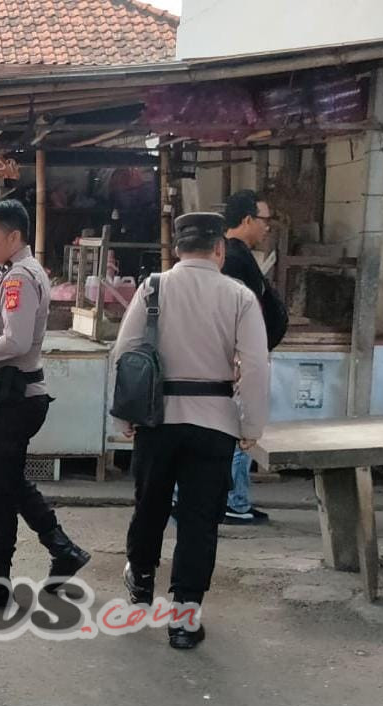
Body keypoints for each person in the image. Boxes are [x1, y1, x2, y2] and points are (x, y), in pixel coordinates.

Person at [111, 212, 269, 650]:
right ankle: (183, 619)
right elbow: (255, 366)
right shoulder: (238, 296)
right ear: (219, 248)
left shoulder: (153, 288)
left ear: (177, 248)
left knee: (150, 505)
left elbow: (124, 351)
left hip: (157, 420)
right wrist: (251, 425)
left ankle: (141, 580)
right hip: (214, 424)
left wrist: (123, 415)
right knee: (199, 520)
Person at [0, 199, 91, 609]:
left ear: (14, 237)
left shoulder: (18, 280)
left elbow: (16, 342)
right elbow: (11, 347)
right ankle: (62, 550)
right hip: (11, 391)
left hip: (15, 401)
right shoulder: (13, 273)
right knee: (6, 484)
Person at [218, 190, 287, 525]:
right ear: (246, 220)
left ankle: (235, 498)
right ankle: (233, 499)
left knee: (236, 430)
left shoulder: (236, 255)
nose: (267, 227)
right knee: (239, 430)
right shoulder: (233, 259)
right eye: (264, 220)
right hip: (239, 360)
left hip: (242, 356)